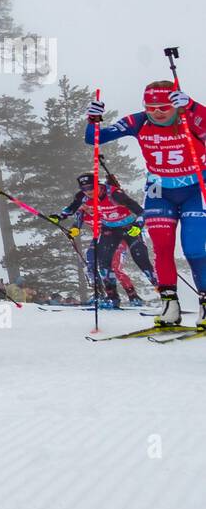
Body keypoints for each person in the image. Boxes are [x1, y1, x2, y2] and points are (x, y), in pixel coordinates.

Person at [85, 82, 206, 326]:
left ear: (175, 104)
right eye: (150, 107)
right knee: (162, 249)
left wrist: (193, 106)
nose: (157, 112)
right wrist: (93, 119)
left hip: (194, 189)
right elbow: (93, 138)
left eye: (163, 106)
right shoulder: (138, 122)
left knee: (194, 250)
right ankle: (170, 304)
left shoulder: (189, 117)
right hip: (158, 190)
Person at [50, 173, 155, 308]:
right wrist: (59, 217)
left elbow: (141, 212)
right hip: (109, 230)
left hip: (129, 228)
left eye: (91, 188)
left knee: (142, 261)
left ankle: (166, 295)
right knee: (103, 262)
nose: (88, 192)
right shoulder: (83, 199)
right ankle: (112, 298)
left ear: (98, 185)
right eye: (84, 189)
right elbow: (72, 210)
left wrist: (138, 226)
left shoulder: (114, 194)